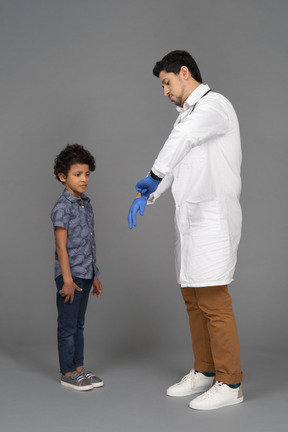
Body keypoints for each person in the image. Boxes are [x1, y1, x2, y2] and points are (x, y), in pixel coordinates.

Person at [128, 51, 243, 410]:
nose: (164, 91)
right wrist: (150, 193)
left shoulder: (213, 106)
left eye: (166, 82)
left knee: (213, 301)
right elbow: (177, 164)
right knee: (193, 299)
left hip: (212, 219)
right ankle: (205, 371)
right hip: (190, 221)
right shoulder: (187, 117)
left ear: (183, 72)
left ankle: (231, 382)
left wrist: (154, 173)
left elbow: (184, 143)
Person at [51, 144, 104, 391]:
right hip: (69, 276)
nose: (84, 179)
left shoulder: (86, 204)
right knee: (68, 325)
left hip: (85, 273)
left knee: (79, 324)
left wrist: (94, 275)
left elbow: (88, 243)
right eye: (77, 174)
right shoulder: (62, 208)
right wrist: (68, 280)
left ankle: (80, 369)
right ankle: (67, 372)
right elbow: (62, 248)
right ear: (63, 176)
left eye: (87, 174)